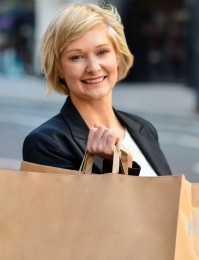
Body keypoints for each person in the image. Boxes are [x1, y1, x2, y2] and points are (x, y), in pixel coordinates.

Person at [23, 3, 171, 176]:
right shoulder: (46, 143)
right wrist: (112, 166)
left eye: (102, 52)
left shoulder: (144, 129)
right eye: (76, 57)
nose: (93, 67)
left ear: (117, 56)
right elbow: (77, 204)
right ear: (59, 69)